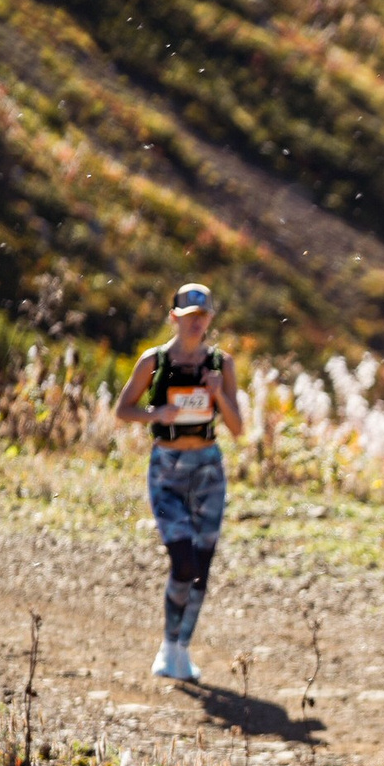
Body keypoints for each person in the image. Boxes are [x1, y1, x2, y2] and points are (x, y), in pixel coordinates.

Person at [113, 283, 244, 682]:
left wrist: (219, 396)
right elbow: (123, 410)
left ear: (210, 319)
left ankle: (180, 649)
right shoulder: (153, 362)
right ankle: (168, 646)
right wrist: (157, 414)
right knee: (183, 562)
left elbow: (238, 427)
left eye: (202, 317)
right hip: (167, 469)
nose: (195, 323)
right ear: (174, 318)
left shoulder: (221, 364)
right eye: (188, 317)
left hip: (208, 470)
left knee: (201, 567)